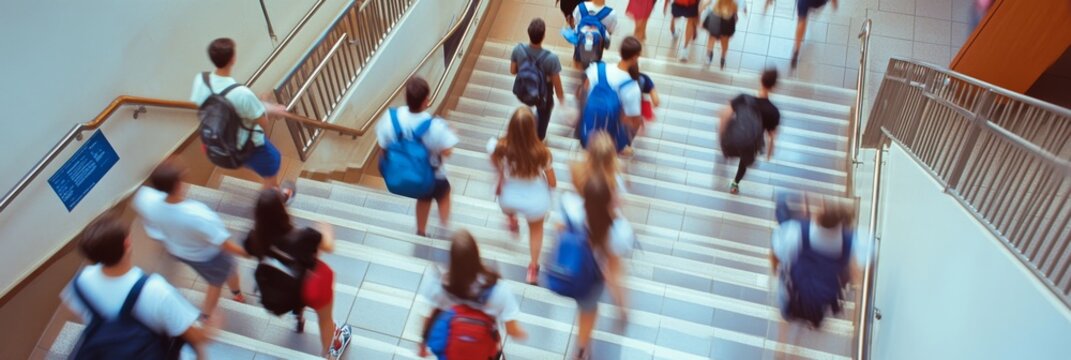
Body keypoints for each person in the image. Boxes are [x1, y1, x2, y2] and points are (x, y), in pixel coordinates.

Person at [62, 214, 210, 359]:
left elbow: (83, 313)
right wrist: (212, 327)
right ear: (127, 243)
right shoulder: (155, 290)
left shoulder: (80, 282)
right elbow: (195, 337)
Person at [132, 160, 247, 320]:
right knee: (217, 280)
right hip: (208, 256)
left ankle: (233, 295)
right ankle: (211, 312)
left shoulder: (146, 199)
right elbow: (225, 245)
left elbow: (151, 229)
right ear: (178, 185)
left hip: (178, 251)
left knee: (223, 272)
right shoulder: (198, 214)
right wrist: (250, 253)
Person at [245, 189, 351, 358]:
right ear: (283, 210)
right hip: (309, 288)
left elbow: (248, 252)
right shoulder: (304, 236)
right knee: (325, 320)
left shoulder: (254, 238)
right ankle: (328, 354)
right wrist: (327, 229)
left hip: (280, 287)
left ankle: (298, 317)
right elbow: (329, 247)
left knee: (294, 276)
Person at [190, 38, 294, 199]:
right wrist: (269, 109)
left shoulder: (201, 81)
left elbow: (205, 105)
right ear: (233, 59)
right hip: (246, 147)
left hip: (217, 143)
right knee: (273, 163)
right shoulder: (242, 93)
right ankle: (273, 199)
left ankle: (272, 192)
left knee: (260, 164)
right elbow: (262, 121)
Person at [565, 134, 629, 359]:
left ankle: (582, 348)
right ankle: (621, 305)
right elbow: (618, 208)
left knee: (588, 304)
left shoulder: (579, 172)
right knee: (614, 270)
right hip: (608, 234)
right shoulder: (615, 179)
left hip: (585, 238)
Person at [418, 230, 526, 357]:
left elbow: (430, 316)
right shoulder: (497, 289)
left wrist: (423, 343)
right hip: (483, 352)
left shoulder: (440, 285)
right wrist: (523, 334)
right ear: (477, 255)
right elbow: (512, 330)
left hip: (452, 350)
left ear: (451, 258)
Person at [375, 77, 460, 237]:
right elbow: (447, 151)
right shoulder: (435, 125)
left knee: (423, 197)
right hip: (433, 175)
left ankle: (421, 231)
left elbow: (383, 148)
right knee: (444, 193)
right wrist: (451, 131)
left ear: (406, 98)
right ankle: (444, 226)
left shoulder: (391, 118)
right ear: (426, 101)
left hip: (406, 172)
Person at [770, 193, 866, 332]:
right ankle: (813, 319)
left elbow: (778, 253)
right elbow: (856, 275)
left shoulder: (799, 231)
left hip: (795, 292)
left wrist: (776, 269)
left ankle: (785, 329)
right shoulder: (849, 242)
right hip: (821, 297)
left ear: (818, 219)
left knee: (786, 302)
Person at [489, 107, 557, 285]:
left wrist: (501, 173)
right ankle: (533, 268)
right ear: (533, 129)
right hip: (535, 202)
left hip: (509, 199)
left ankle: (511, 218)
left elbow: (493, 160)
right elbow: (552, 182)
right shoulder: (543, 153)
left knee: (509, 206)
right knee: (536, 230)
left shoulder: (500, 148)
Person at [718, 68, 781, 195]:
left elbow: (725, 115)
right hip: (751, 145)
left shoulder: (743, 98)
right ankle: (735, 184)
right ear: (774, 86)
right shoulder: (773, 111)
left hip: (733, 139)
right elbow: (772, 136)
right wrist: (769, 153)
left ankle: (726, 159)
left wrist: (722, 134)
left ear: (760, 79)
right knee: (744, 161)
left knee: (735, 146)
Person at [578, 36, 644, 154]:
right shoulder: (631, 86)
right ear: (635, 58)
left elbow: (583, 92)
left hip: (589, 129)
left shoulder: (597, 68)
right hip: (610, 140)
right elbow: (634, 121)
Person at [511, 18, 566, 141]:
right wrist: (562, 102)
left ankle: (525, 126)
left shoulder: (518, 50)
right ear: (544, 35)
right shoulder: (552, 59)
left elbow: (513, 71)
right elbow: (558, 88)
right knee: (544, 113)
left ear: (528, 33)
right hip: (544, 94)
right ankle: (538, 137)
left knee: (528, 105)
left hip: (524, 89)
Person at [572, 0, 620, 68]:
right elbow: (609, 32)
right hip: (596, 57)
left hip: (578, 56)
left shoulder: (580, 7)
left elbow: (576, 25)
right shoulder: (611, 13)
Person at [791, 0, 838, 68]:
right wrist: (834, 3)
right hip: (818, 2)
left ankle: (797, 49)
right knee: (802, 18)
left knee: (801, 20)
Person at [702, 0, 741, 70]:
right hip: (727, 22)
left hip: (715, 19)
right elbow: (736, 17)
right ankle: (723, 57)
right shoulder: (733, 4)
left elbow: (708, 6)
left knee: (711, 39)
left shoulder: (717, 2)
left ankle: (709, 55)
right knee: (725, 42)